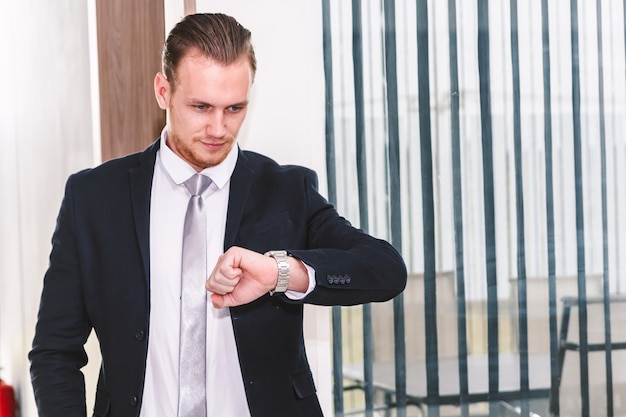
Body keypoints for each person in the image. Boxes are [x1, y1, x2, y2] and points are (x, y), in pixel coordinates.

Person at [29, 12, 407, 417]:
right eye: (201, 106)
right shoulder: (94, 197)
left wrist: (281, 272)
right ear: (163, 91)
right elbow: (55, 350)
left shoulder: (286, 191)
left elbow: (385, 269)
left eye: (234, 108)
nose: (218, 128)